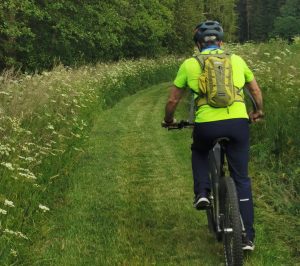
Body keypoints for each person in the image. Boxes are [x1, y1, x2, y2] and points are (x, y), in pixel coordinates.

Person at [162, 20, 264, 251]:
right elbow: (255, 90)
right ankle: (247, 237)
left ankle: (202, 192)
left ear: (198, 44)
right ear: (221, 42)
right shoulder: (237, 60)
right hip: (238, 123)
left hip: (207, 125)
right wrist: (258, 111)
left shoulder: (189, 64)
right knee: (242, 180)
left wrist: (169, 120)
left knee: (199, 150)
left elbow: (173, 100)